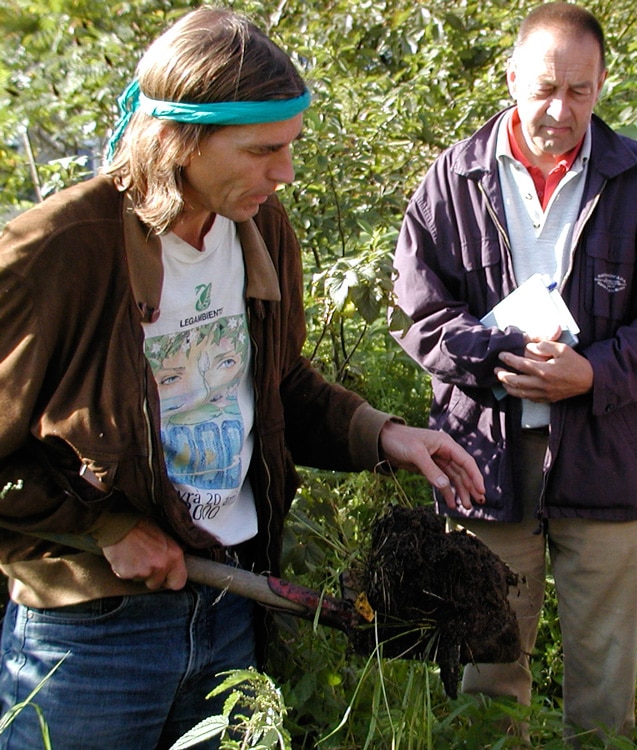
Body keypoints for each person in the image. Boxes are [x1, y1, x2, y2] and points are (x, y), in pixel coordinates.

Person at [0, 9, 485, 749]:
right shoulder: (60, 250)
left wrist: (384, 435)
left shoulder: (260, 227)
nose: (285, 173)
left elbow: (279, 382)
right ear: (177, 140)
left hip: (230, 611)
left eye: (289, 148)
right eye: (263, 151)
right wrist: (102, 527)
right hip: (89, 638)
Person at [391, 2, 637, 740]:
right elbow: (418, 312)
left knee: (603, 678)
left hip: (605, 455)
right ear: (511, 78)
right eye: (542, 88)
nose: (558, 109)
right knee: (486, 666)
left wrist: (595, 373)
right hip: (482, 457)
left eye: (578, 90)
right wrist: (496, 356)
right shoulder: (454, 179)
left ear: (603, 84)